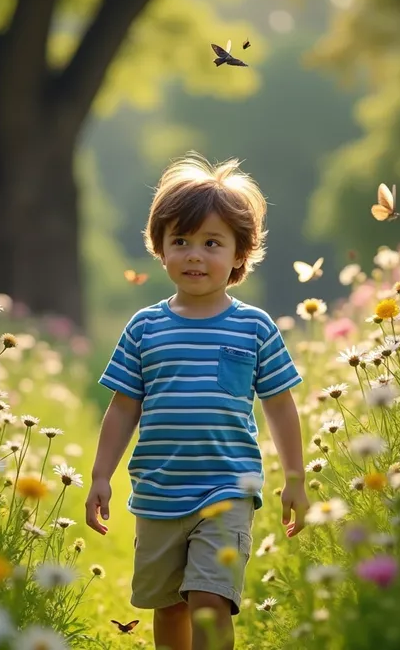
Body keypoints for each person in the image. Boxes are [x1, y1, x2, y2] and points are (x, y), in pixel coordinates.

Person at [85, 153, 309, 650]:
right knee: (169, 609)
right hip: (159, 493)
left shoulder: (255, 327)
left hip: (227, 489)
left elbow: (278, 405)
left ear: (238, 255)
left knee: (209, 602)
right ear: (159, 248)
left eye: (211, 243)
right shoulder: (145, 327)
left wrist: (295, 478)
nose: (193, 255)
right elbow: (124, 407)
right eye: (180, 241)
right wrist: (101, 474)